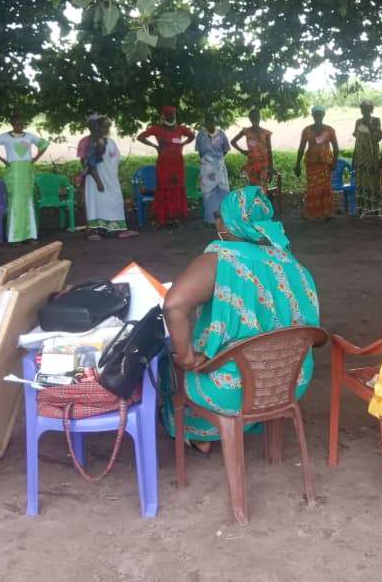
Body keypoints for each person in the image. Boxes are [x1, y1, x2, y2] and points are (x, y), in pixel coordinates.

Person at [160, 187, 320, 452]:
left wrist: (186, 357)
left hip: (232, 389)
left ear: (229, 223)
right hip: (291, 382)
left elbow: (174, 305)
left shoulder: (220, 258)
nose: (216, 221)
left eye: (219, 216)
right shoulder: (292, 263)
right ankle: (252, 425)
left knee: (169, 366)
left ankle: (200, 436)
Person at [0, 115, 48, 243]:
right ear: (12, 124)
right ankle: (15, 237)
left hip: (26, 172)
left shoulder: (29, 136)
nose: (20, 125)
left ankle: (31, 235)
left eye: (22, 123)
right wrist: (3, 160)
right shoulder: (5, 137)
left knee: (28, 201)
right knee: (15, 202)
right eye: (17, 123)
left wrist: (36, 158)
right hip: (14, 173)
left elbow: (43, 144)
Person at [80, 115, 137, 241]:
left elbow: (115, 160)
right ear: (97, 127)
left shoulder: (110, 142)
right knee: (97, 204)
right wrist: (98, 182)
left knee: (114, 202)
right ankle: (94, 231)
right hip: (97, 180)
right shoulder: (93, 144)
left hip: (111, 179)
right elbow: (91, 164)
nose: (106, 129)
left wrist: (115, 177)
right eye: (104, 127)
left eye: (108, 127)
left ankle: (117, 229)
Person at [137, 106, 195, 228]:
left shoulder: (180, 128)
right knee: (164, 188)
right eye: (168, 114)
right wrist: (155, 146)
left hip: (178, 164)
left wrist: (183, 144)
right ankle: (164, 218)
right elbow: (140, 137)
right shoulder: (157, 128)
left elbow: (192, 135)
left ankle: (177, 217)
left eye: (173, 114)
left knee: (177, 188)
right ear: (163, 116)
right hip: (163, 164)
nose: (171, 117)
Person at [295, 105, 339, 220]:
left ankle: (327, 213)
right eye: (316, 114)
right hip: (312, 163)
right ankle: (312, 213)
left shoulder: (330, 130)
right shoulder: (307, 130)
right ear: (313, 116)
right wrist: (297, 164)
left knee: (326, 189)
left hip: (326, 164)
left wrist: (335, 162)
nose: (318, 116)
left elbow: (336, 148)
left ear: (323, 115)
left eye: (320, 114)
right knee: (312, 188)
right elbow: (301, 148)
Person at [195, 111, 231, 225]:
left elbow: (225, 149)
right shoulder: (201, 135)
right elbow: (200, 152)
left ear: (215, 122)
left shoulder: (221, 134)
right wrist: (208, 162)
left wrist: (217, 161)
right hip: (206, 168)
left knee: (222, 190)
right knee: (208, 192)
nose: (209, 124)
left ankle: (224, 217)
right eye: (207, 121)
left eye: (212, 121)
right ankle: (210, 219)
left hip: (219, 167)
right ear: (205, 122)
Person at [231, 108, 274, 192]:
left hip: (264, 165)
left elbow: (269, 150)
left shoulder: (266, 133)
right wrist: (242, 151)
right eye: (253, 117)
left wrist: (271, 167)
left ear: (260, 118)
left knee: (262, 189)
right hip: (252, 165)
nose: (255, 119)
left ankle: (262, 201)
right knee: (252, 189)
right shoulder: (246, 131)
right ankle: (254, 201)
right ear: (250, 119)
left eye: (257, 117)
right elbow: (233, 142)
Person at [352, 100, 382, 216]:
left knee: (373, 180)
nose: (363, 110)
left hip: (372, 156)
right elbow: (357, 138)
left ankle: (375, 208)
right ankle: (361, 207)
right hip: (361, 156)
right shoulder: (358, 121)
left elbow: (377, 137)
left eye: (366, 108)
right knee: (361, 181)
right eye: (362, 108)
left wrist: (367, 128)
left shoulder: (376, 120)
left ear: (371, 109)